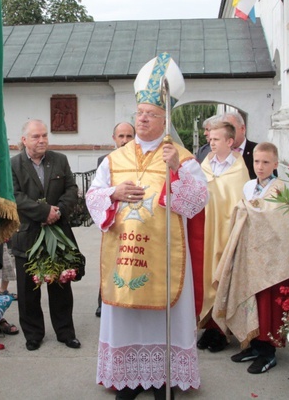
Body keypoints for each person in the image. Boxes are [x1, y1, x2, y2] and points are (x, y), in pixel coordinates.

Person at [86, 53, 208, 400]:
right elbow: (93, 197)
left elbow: (198, 201)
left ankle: (160, 381)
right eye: (139, 113)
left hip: (163, 257)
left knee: (161, 320)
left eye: (151, 114)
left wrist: (175, 173)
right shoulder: (115, 158)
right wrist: (114, 192)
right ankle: (129, 380)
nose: (142, 118)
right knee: (125, 318)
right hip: (124, 253)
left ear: (164, 119)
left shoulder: (180, 157)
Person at [212, 142, 289, 374]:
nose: (260, 167)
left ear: (276, 164)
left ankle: (268, 352)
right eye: (257, 161)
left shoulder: (281, 189)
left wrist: (249, 211)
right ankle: (252, 344)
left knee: (267, 301)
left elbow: (280, 224)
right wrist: (245, 209)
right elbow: (242, 212)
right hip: (248, 255)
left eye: (266, 162)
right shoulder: (249, 187)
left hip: (270, 259)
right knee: (250, 300)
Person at [10, 119, 80, 352]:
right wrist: (43, 212)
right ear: (24, 140)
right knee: (28, 290)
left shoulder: (60, 160)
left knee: (60, 286)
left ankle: (65, 332)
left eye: (44, 136)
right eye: (36, 137)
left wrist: (57, 211)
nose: (42, 140)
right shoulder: (13, 165)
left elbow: (72, 189)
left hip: (58, 233)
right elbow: (14, 196)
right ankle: (33, 334)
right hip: (27, 235)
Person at [196, 120, 249, 352]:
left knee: (223, 277)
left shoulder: (240, 170)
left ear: (230, 141)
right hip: (206, 231)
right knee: (206, 276)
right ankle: (207, 325)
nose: (211, 143)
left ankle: (221, 330)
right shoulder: (205, 164)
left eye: (216, 139)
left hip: (227, 233)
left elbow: (242, 204)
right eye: (210, 139)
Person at [95, 121, 135, 317]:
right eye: (121, 136)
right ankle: (104, 301)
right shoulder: (106, 160)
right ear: (114, 139)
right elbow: (97, 193)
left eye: (129, 136)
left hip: (136, 223)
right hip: (113, 223)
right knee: (109, 262)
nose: (125, 141)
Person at [222, 112, 257, 179]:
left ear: (242, 129)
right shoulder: (219, 153)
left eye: (231, 129)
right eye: (225, 130)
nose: (227, 133)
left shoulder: (257, 150)